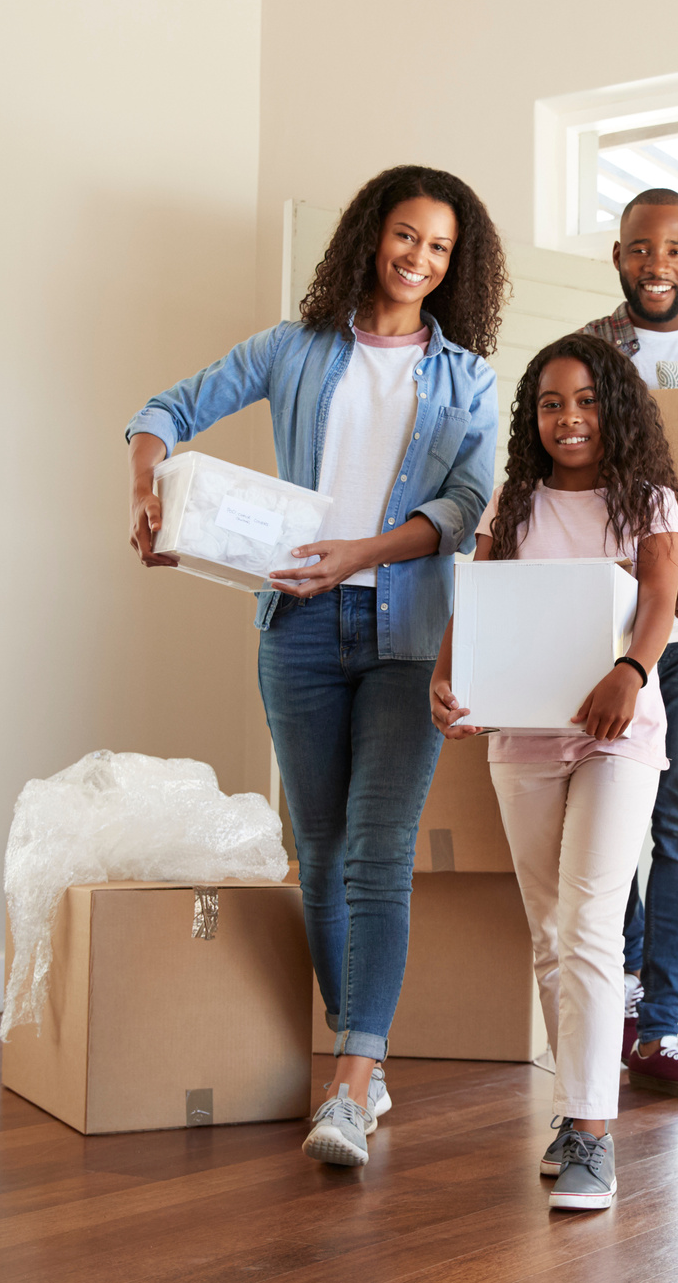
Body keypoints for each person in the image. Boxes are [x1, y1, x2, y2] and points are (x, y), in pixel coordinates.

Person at [124, 166, 505, 1170]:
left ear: (453, 266)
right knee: (323, 849)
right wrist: (150, 492)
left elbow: (466, 507)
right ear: (369, 237)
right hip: (293, 628)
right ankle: (362, 1061)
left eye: (437, 247)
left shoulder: (467, 378)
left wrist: (359, 553)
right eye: (404, 235)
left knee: (380, 851)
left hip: (406, 632)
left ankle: (346, 1075)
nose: (416, 257)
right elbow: (165, 409)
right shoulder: (293, 348)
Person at [429, 334, 678, 1212]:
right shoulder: (513, 503)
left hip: (618, 730)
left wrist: (632, 672)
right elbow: (483, 597)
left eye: (583, 400)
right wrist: (448, 676)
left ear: (612, 405)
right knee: (550, 931)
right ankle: (572, 1111)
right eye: (549, 403)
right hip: (524, 733)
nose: (568, 418)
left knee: (586, 922)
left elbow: (657, 596)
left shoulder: (646, 499)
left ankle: (590, 1134)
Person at [574, 189, 678, 1102]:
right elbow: (565, 469)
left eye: (673, 250)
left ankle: (664, 1027)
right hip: (615, 616)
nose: (656, 265)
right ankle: (627, 995)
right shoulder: (588, 359)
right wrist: (664, 548)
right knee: (610, 803)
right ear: (618, 256)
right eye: (641, 248)